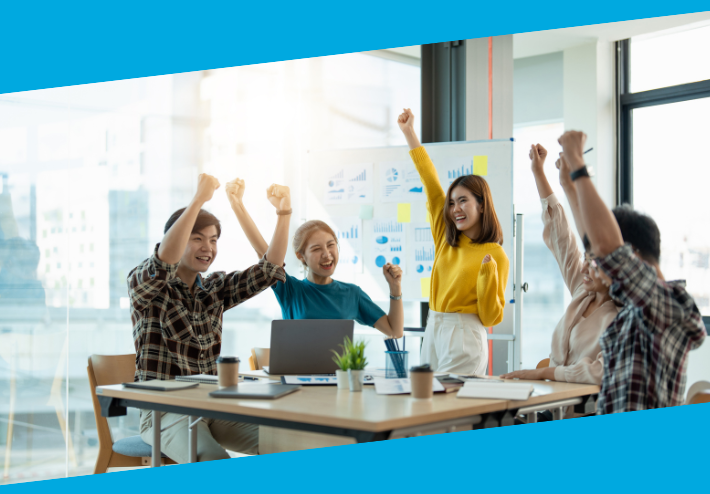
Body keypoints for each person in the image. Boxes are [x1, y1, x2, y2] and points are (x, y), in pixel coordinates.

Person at [128, 173, 291, 462]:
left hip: (213, 406)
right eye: (198, 238)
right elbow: (164, 263)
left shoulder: (214, 288)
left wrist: (283, 213)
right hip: (163, 410)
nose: (208, 248)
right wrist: (199, 199)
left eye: (213, 240)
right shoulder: (147, 286)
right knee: (214, 461)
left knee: (287, 441)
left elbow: (270, 269)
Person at [555, 130, 706, 413]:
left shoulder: (667, 304)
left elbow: (606, 247)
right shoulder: (635, 308)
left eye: (602, 263)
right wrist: (567, 183)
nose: (596, 269)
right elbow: (596, 243)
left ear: (632, 256)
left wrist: (578, 165)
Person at [397, 108, 509, 374]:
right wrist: (409, 133)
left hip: (464, 333)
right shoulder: (446, 239)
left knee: (454, 410)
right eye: (451, 203)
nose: (455, 209)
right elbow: (430, 180)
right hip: (433, 326)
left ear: (482, 205)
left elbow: (491, 317)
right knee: (428, 405)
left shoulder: (496, 255)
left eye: (463, 201)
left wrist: (487, 276)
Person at [501, 144, 619, 388]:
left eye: (593, 263)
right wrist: (538, 172)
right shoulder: (583, 290)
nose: (585, 269)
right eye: (585, 260)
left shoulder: (618, 317)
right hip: (551, 400)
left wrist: (545, 373)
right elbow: (561, 235)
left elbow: (600, 372)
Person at [226, 178, 404, 338]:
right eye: (317, 249)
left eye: (331, 245)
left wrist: (395, 288)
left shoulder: (352, 294)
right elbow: (261, 249)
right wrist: (237, 205)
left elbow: (394, 331)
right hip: (296, 374)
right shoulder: (291, 289)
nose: (327, 254)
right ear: (301, 257)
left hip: (339, 375)